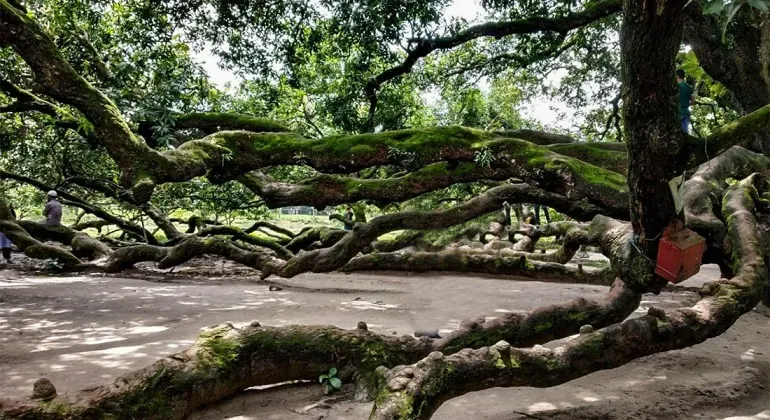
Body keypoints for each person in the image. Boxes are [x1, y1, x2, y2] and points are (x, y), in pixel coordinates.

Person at [677, 69, 694, 134]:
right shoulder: (689, 87)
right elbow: (693, 101)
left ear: (677, 76)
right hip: (686, 113)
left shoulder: (676, 87)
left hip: (677, 113)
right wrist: (686, 104)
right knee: (685, 135)